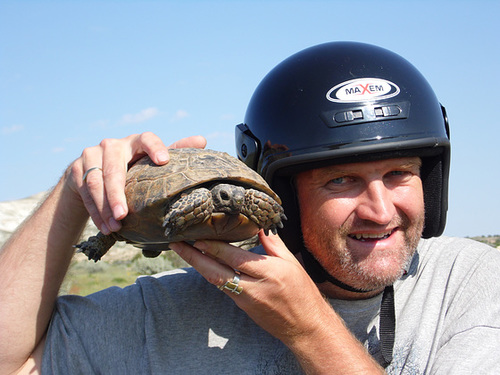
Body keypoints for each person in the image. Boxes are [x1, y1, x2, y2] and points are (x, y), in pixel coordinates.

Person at [1, 42, 499, 375]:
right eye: (341, 180)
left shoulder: (470, 284)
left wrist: (306, 326)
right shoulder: (175, 310)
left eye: (399, 174)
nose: (379, 209)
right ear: (280, 193)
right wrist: (72, 193)